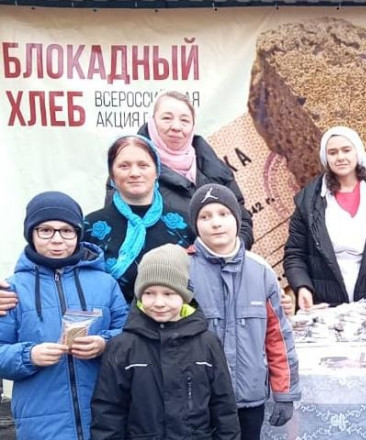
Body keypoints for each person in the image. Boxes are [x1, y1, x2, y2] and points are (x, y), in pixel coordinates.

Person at [0, 192, 128, 440]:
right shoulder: (12, 289)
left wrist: (104, 344)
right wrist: (29, 355)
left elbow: (130, 336)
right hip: (40, 425)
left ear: (78, 234)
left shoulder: (105, 283)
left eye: (67, 231)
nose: (57, 239)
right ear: (31, 234)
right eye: (46, 230)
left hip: (103, 419)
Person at [91, 244, 240, 439]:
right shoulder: (122, 346)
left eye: (168, 294)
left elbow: (224, 406)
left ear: (185, 296)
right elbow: (108, 411)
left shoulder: (208, 343)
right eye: (149, 293)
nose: (159, 303)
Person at [187, 184, 300, 439]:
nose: (216, 223)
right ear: (195, 224)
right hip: (198, 401)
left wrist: (285, 393)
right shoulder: (182, 268)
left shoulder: (261, 272)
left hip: (249, 400)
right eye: (205, 216)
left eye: (223, 214)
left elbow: (278, 338)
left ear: (237, 219)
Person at [283, 126, 366, 327]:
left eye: (346, 150)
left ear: (357, 152)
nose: (340, 157)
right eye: (332, 152)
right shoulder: (309, 201)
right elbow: (294, 253)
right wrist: (303, 287)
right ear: (325, 158)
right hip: (326, 307)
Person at [134, 90, 254, 249]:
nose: (176, 127)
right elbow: (124, 232)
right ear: (152, 122)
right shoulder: (132, 171)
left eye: (184, 120)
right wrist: (180, 256)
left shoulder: (214, 167)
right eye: (167, 118)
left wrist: (228, 251)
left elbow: (243, 221)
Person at [85, 134, 196, 302]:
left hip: (174, 318)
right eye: (124, 166)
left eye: (143, 165)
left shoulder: (185, 223)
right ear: (112, 174)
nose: (134, 173)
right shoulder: (90, 227)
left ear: (157, 171)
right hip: (110, 318)